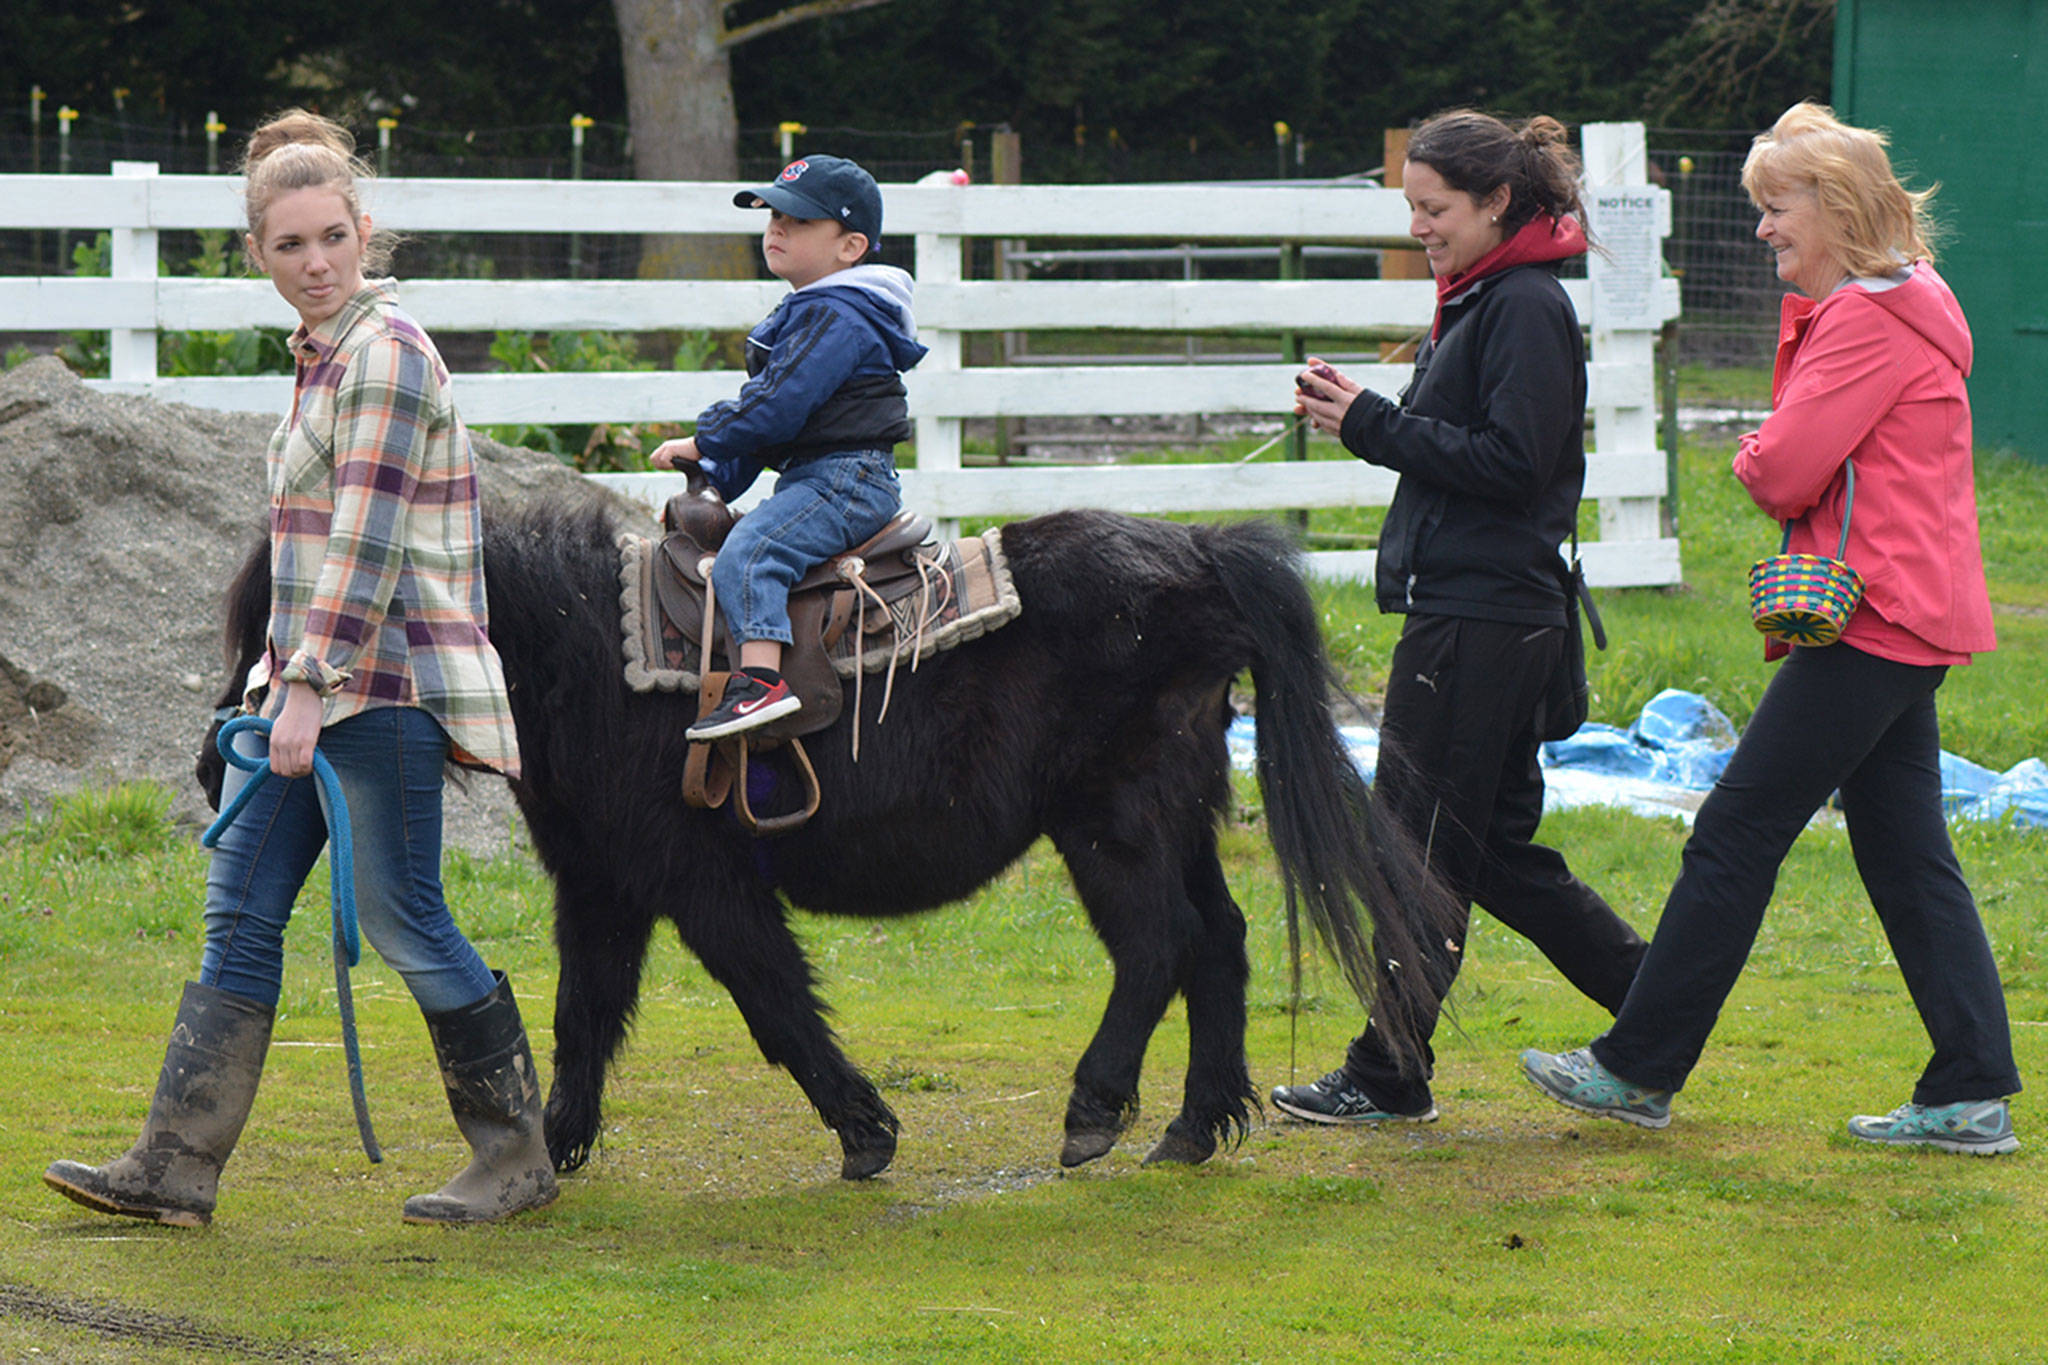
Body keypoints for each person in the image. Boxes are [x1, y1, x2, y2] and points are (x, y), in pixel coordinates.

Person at [43, 110, 557, 1226]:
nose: (315, 262)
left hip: (378, 691)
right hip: (308, 689)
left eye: (332, 236)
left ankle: (516, 1154)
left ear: (365, 230)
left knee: (401, 917)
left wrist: (310, 687)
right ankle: (175, 1167)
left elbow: (367, 539)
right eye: (289, 246)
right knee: (239, 914)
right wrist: (277, 688)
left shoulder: (383, 356)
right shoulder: (322, 358)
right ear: (257, 255)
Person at [1522, 102, 2021, 1155]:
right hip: (1911, 608)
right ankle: (1970, 1088)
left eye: (1772, 206)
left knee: (1734, 831)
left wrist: (1754, 451)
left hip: (1869, 615)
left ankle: (1635, 1068)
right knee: (1902, 852)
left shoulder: (1862, 318)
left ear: (1833, 208)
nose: (1758, 229)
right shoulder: (1909, 299)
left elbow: (1784, 468)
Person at [1274, 110, 1647, 1126]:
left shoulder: (1522, 307)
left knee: (1416, 845)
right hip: (1473, 613)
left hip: (1481, 620)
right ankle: (1659, 1011)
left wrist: (1371, 423)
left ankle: (1390, 1073)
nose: (1419, 229)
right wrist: (1370, 419)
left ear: (1494, 204)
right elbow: (1474, 447)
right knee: (1491, 858)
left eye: (1432, 210)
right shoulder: (1485, 298)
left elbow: (1512, 467)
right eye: (1410, 209)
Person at [650, 154, 927, 739]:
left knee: (751, 553)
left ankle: (760, 686)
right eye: (774, 215)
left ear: (850, 246)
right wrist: (718, 473)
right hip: (823, 475)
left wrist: (704, 438)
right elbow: (777, 426)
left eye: (799, 221)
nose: (776, 227)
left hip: (845, 480)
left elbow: (776, 406)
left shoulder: (837, 317)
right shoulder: (815, 312)